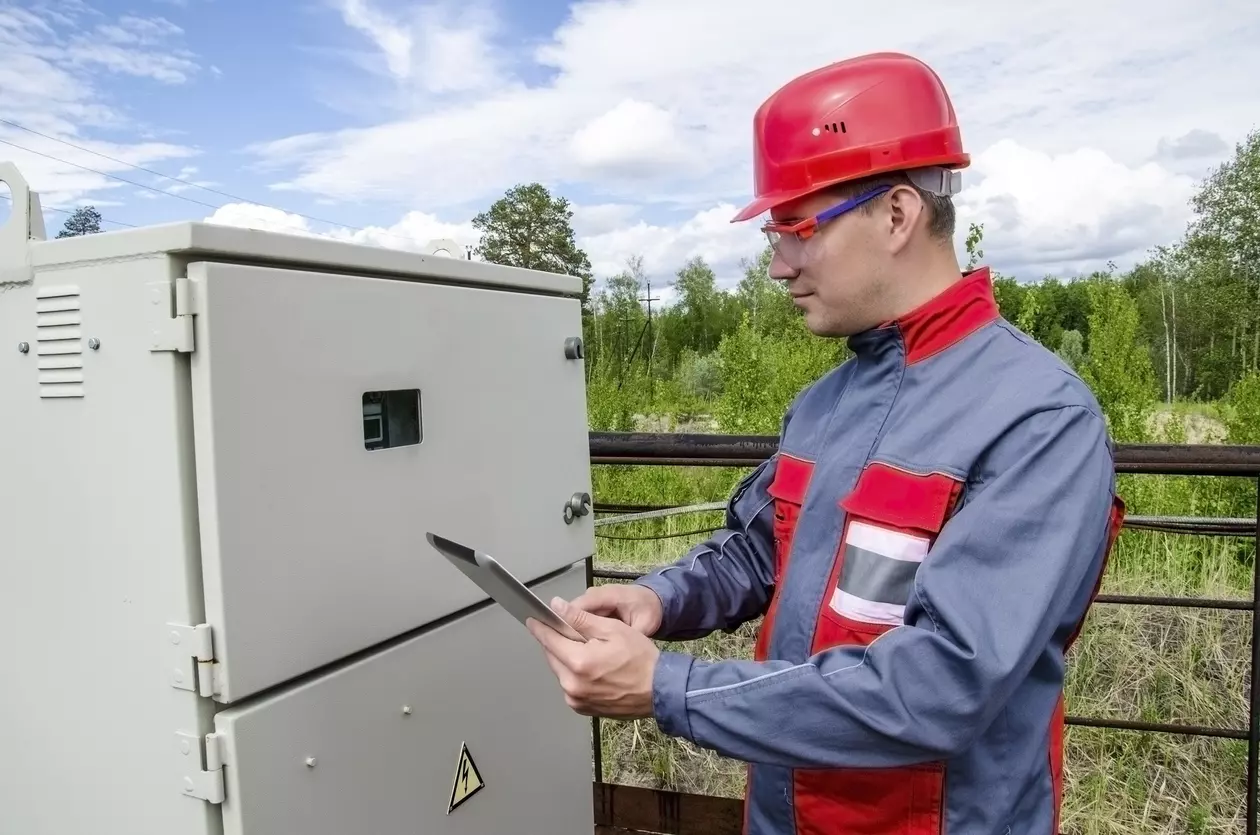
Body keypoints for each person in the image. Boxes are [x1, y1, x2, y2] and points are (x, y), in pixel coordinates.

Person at [526, 51, 1126, 834]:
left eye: (796, 228)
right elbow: (759, 550)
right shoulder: (824, 404)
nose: (778, 266)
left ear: (899, 213)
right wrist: (657, 599)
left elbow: (942, 685)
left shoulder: (1040, 422)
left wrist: (668, 687)